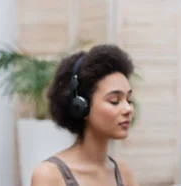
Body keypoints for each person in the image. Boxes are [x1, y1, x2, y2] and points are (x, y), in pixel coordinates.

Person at [30, 44, 139, 186]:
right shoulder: (50, 175)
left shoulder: (124, 174)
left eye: (128, 100)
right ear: (81, 106)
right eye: (114, 101)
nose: (128, 109)